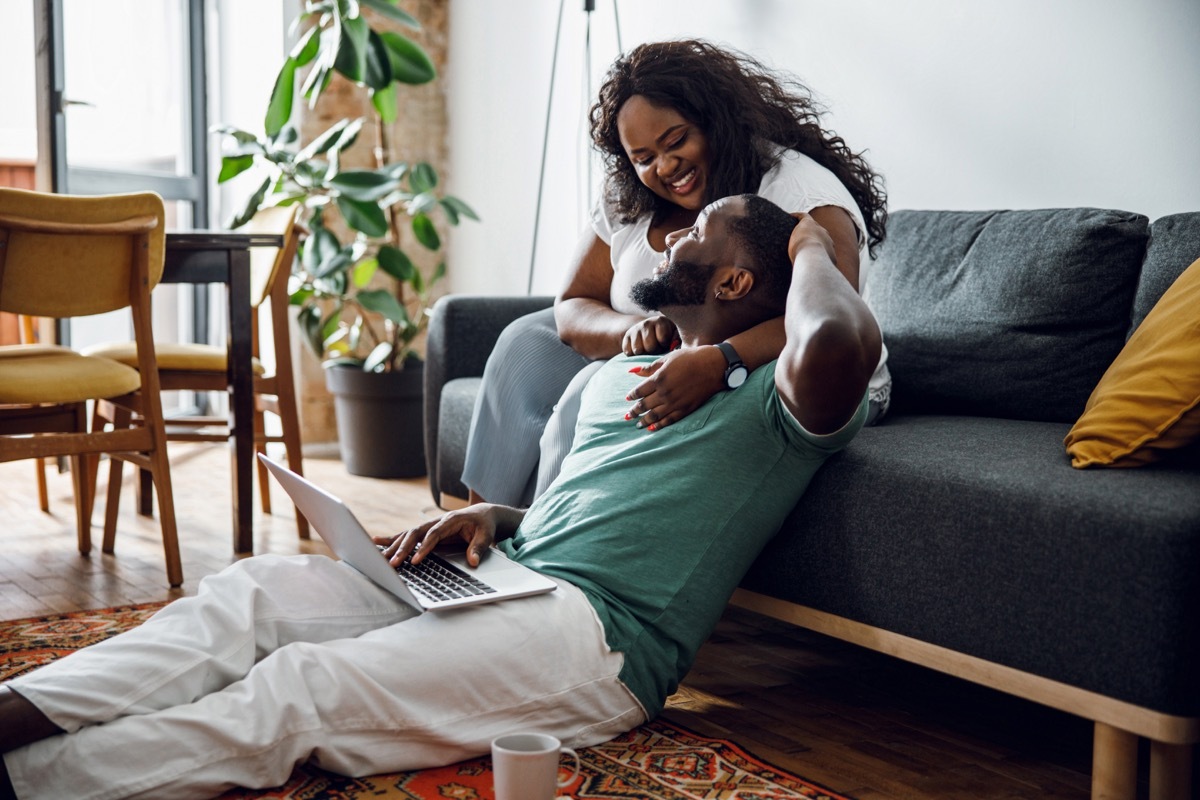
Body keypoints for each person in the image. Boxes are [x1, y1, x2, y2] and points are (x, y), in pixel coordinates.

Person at [0, 195, 881, 800]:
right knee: (250, 595)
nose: (671, 238)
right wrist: (493, 518)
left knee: (301, 691)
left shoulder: (783, 401)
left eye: (699, 236)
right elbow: (585, 518)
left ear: (735, 283)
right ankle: (14, 717)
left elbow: (840, 331)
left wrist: (808, 243)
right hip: (513, 571)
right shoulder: (628, 372)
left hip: (601, 639)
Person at [462, 38, 891, 507]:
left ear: (717, 122)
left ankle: (538, 553)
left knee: (597, 391)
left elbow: (835, 328)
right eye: (643, 158)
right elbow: (571, 306)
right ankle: (472, 531)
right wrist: (636, 329)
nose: (665, 167)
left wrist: (719, 359)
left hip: (779, 369)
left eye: (676, 141)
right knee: (521, 344)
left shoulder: (800, 192)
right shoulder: (627, 192)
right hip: (665, 344)